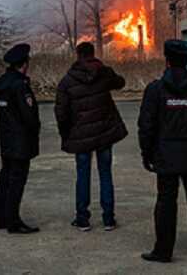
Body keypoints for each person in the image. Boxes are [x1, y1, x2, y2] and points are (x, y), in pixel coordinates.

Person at [137, 39, 187, 263]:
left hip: (165, 154)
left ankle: (163, 250)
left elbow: (146, 125)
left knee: (165, 202)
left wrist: (147, 153)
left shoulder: (155, 90)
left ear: (167, 59)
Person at [55, 42, 128, 232]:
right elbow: (120, 83)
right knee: (105, 173)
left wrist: (66, 133)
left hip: (81, 136)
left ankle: (82, 219)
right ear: (93, 54)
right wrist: (106, 71)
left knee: (82, 175)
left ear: (77, 55)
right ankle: (108, 219)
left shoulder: (67, 80)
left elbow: (61, 112)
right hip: (104, 133)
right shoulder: (103, 73)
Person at [0, 43, 41, 234]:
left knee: (5, 178)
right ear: (24, 63)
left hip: (7, 139)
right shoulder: (20, 86)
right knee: (17, 181)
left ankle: (2, 217)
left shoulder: (1, 85)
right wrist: (35, 128)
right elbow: (29, 116)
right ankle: (14, 221)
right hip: (21, 141)